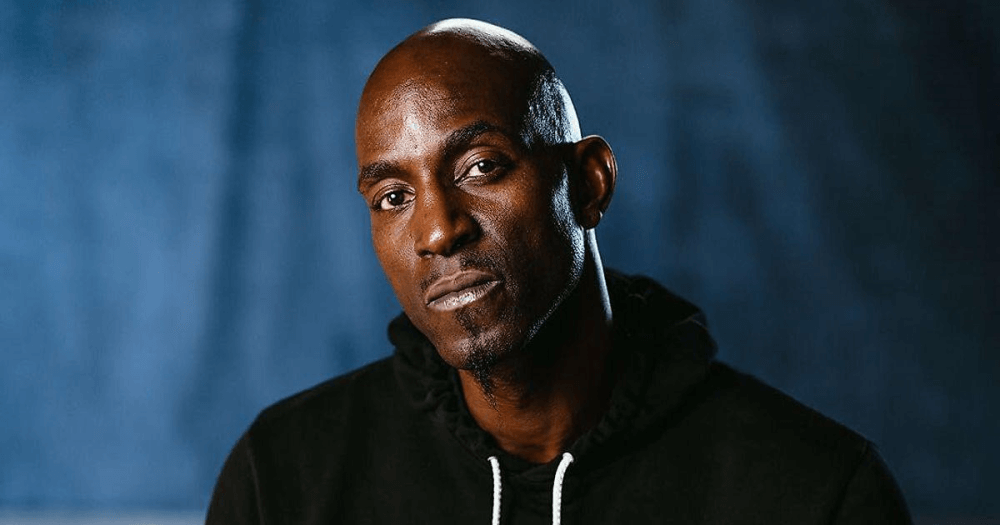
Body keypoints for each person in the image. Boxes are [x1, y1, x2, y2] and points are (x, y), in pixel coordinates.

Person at [207, 18, 912, 524]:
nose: (438, 230)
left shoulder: (816, 492)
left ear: (588, 183)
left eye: (481, 166)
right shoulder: (283, 479)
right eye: (393, 197)